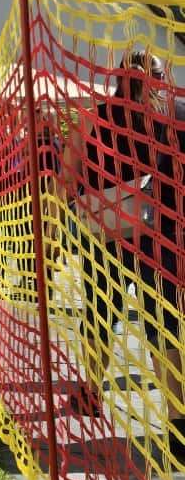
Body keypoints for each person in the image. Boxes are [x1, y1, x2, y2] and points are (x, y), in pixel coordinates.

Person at [61, 51, 182, 457]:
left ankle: (91, 391)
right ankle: (175, 416)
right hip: (154, 236)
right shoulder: (163, 124)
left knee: (98, 314)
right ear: (159, 79)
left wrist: (67, 216)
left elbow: (66, 177)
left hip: (103, 235)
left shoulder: (91, 117)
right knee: (161, 324)